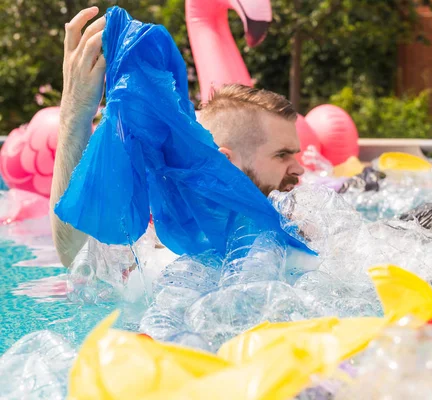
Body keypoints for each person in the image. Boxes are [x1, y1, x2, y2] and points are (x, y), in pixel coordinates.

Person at [50, 7, 305, 268]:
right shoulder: (173, 256)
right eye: (282, 154)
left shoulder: (307, 235)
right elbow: (77, 257)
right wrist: (75, 112)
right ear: (228, 163)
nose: (300, 168)